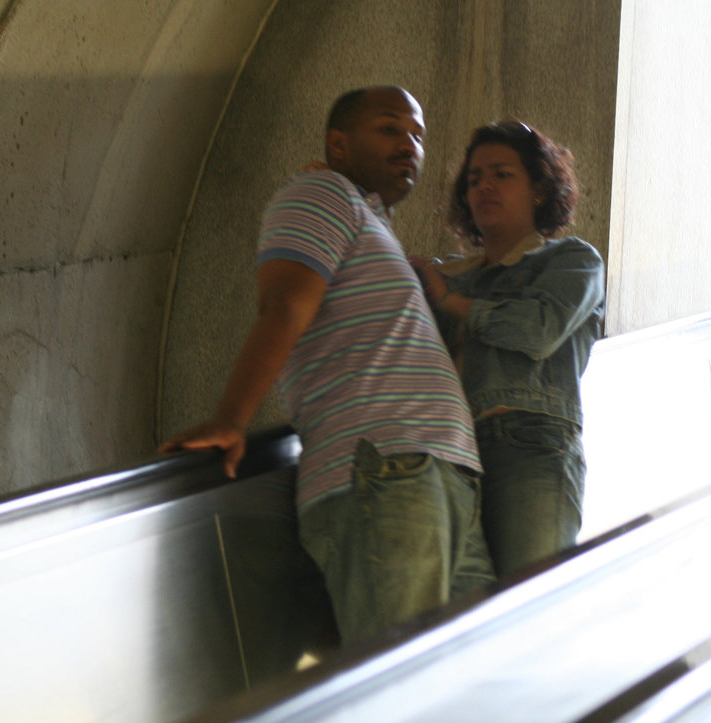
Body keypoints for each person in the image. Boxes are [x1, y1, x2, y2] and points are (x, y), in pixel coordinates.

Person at [160, 86, 495, 646]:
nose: (409, 144)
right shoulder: (318, 192)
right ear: (338, 143)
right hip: (384, 472)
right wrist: (231, 417)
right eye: (390, 128)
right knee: (401, 687)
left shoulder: (369, 217)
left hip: (441, 474)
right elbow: (285, 304)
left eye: (418, 135)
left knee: (464, 683)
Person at [411, 120, 605, 578]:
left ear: (539, 188)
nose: (484, 187)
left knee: (526, 609)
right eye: (475, 178)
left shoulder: (572, 261)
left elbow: (538, 330)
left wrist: (452, 302)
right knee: (461, 620)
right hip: (450, 454)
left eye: (502, 174)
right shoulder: (448, 274)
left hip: (532, 448)